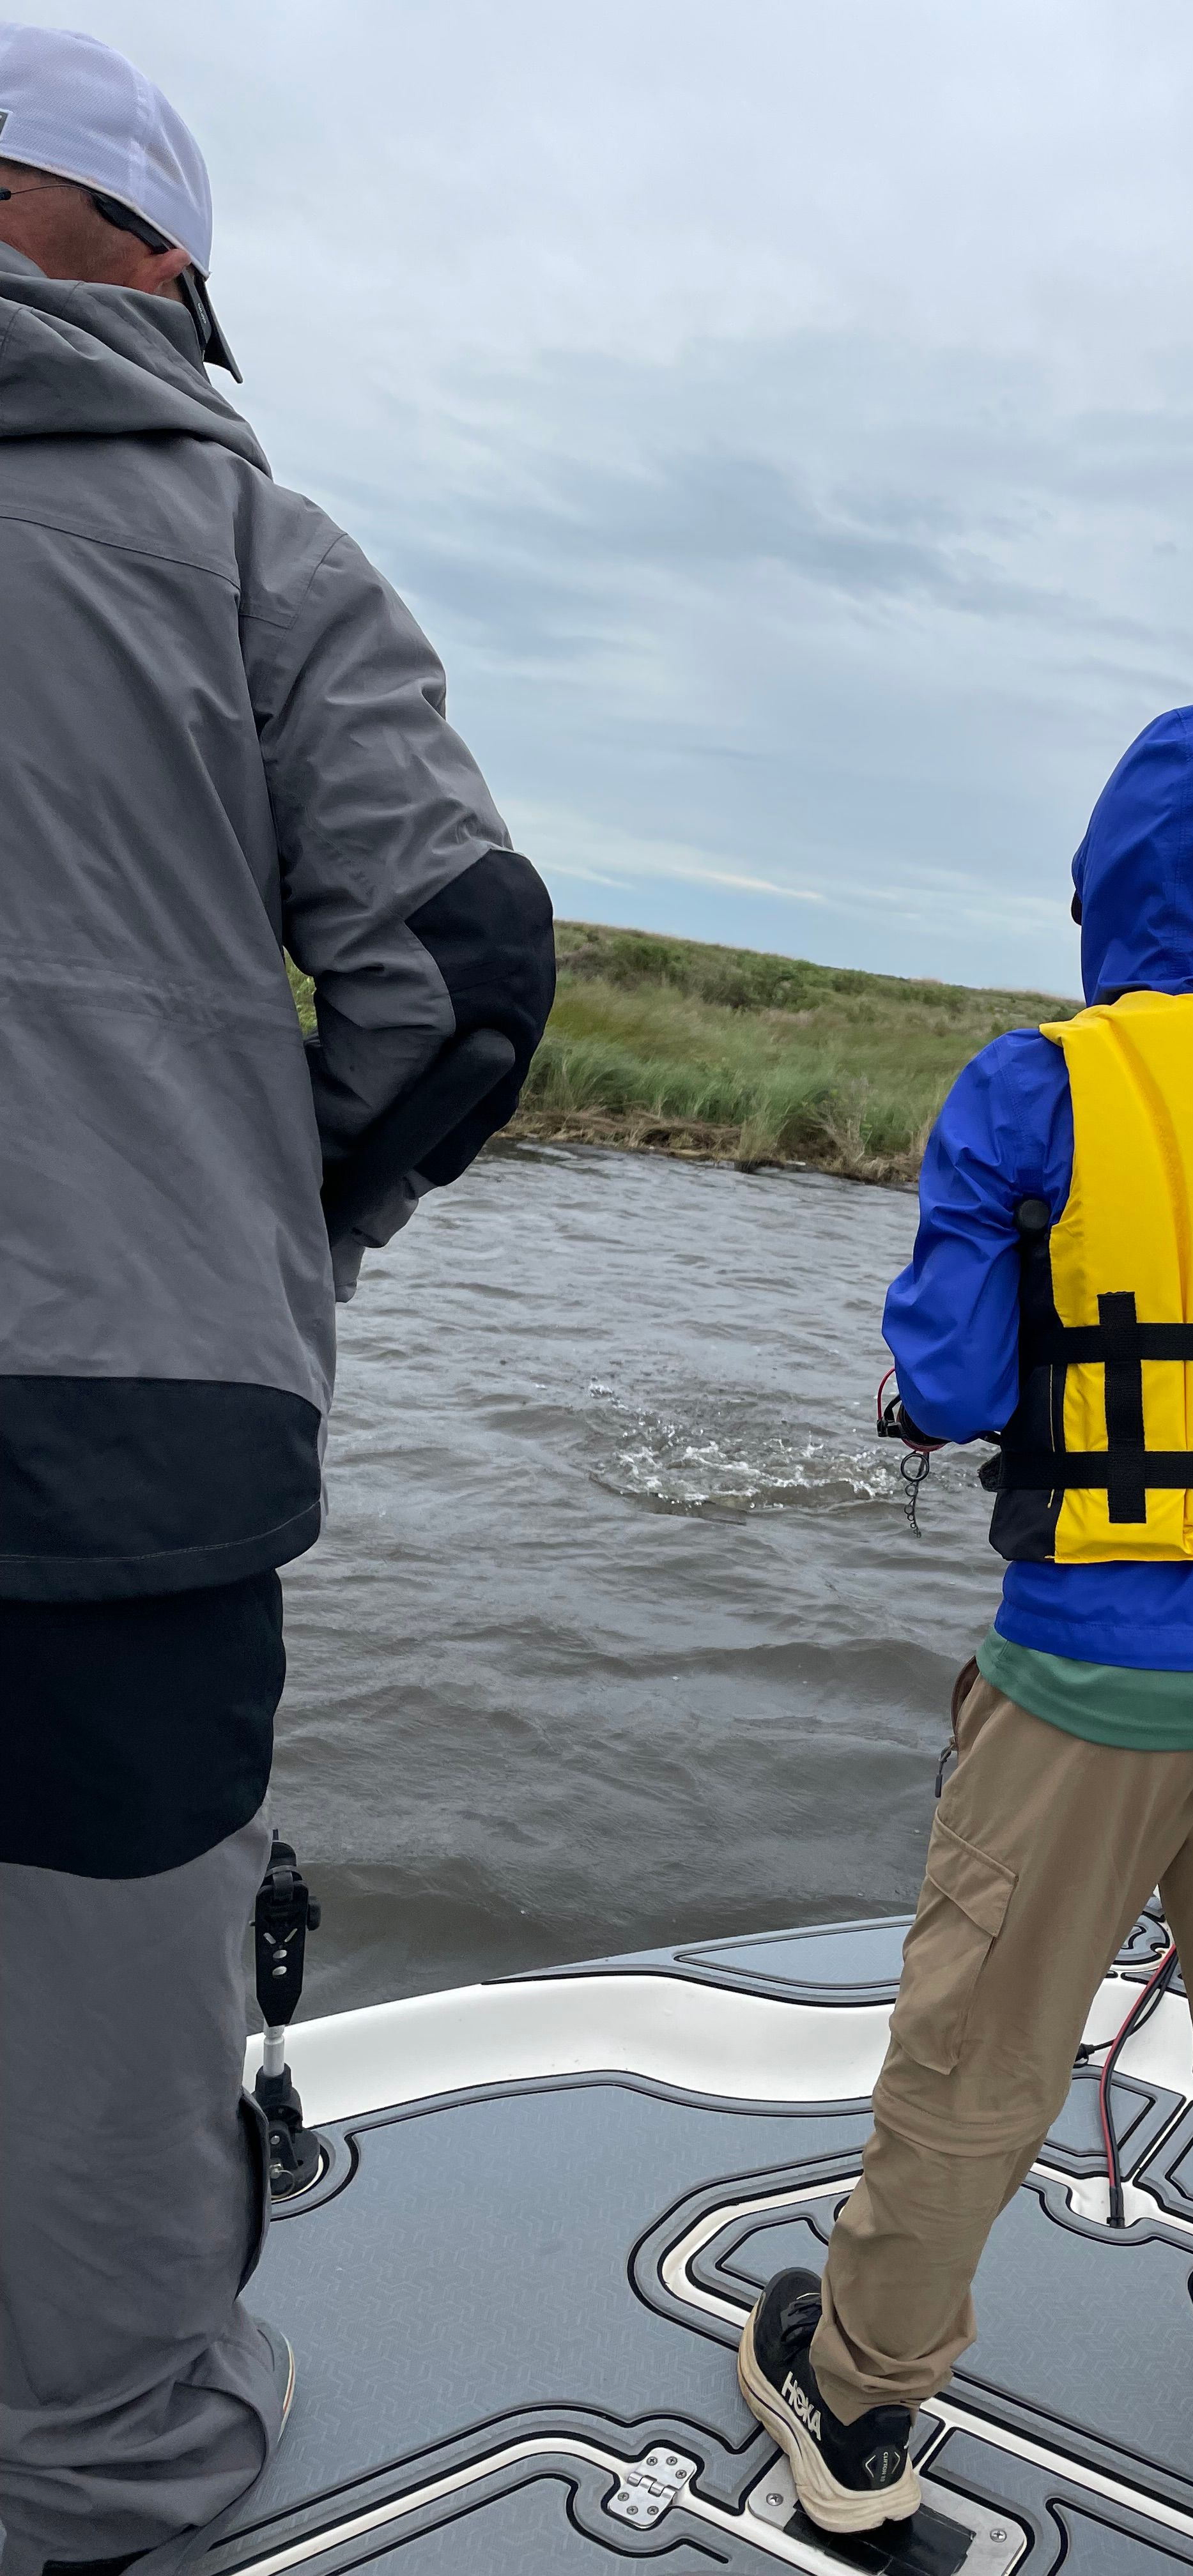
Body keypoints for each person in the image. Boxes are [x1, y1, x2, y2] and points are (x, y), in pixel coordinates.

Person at [0, 26, 554, 2574]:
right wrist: (266, 1220)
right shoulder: (248, 550)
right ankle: (111, 2492)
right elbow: (460, 964)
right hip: (130, 1445)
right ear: (147, 255)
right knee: (114, 2042)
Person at [738, 705, 1193, 2543]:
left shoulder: (1033, 1083)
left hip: (1086, 1686)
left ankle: (862, 2412)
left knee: (978, 2061)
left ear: (1105, 879)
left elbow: (952, 1380)